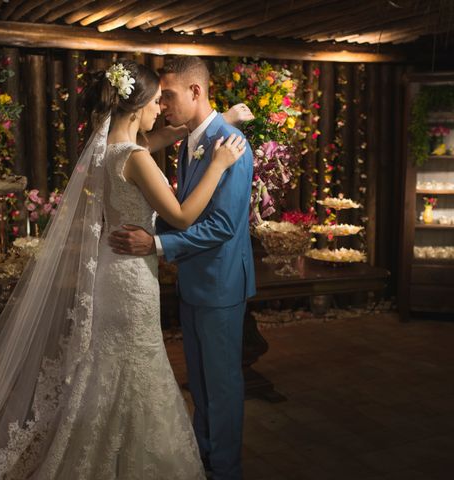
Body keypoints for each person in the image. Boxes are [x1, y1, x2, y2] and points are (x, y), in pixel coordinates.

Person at [0, 60, 246, 480]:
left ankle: (101, 449)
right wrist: (217, 164)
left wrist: (219, 122)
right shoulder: (137, 157)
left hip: (111, 273)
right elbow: (180, 215)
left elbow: (160, 137)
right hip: (132, 281)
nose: (162, 109)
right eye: (157, 101)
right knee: (136, 366)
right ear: (138, 105)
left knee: (110, 367)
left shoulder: (107, 151)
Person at [109, 56, 256, 480]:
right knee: (202, 384)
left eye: (169, 95)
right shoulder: (192, 140)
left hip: (221, 284)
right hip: (193, 281)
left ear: (195, 91)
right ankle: (203, 461)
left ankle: (225, 470)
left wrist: (155, 244)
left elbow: (223, 225)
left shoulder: (230, 145)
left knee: (222, 386)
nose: (164, 104)